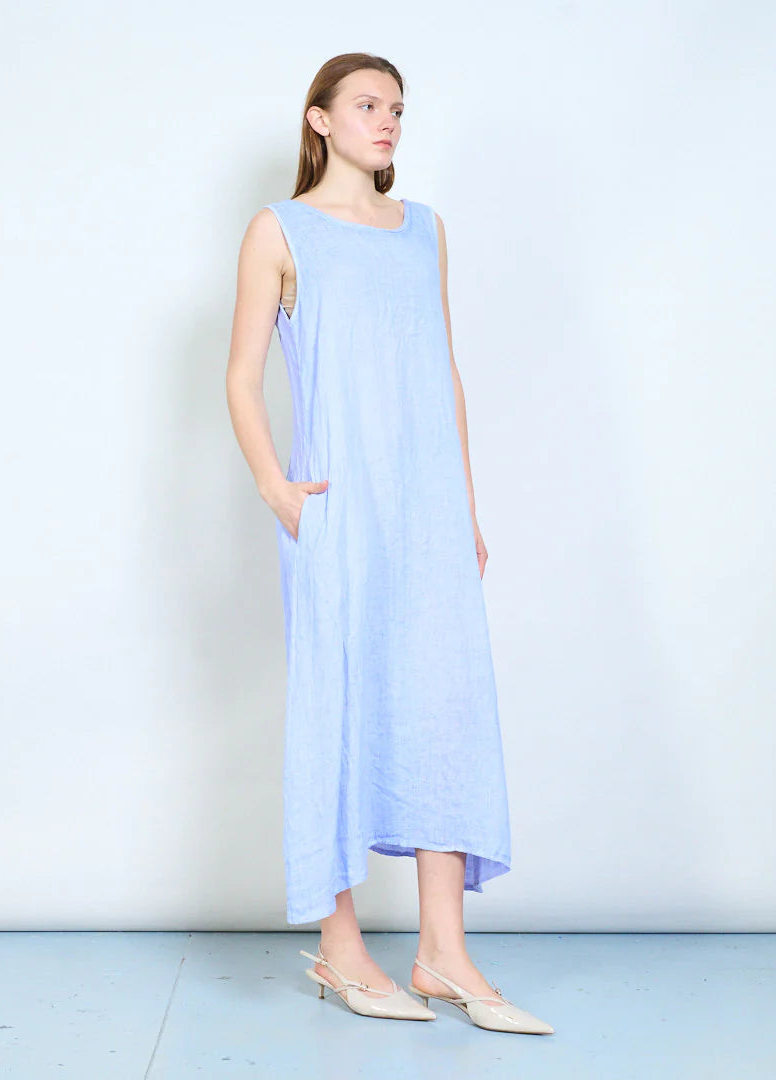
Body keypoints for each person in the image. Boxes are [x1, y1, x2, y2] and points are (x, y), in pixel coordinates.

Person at [225, 53, 552, 1034]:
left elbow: (441, 367)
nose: (388, 122)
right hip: (338, 509)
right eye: (367, 105)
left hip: (428, 511)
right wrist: (279, 489)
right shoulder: (280, 231)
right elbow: (241, 374)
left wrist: (466, 508)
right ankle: (339, 948)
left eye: (398, 109)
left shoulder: (423, 229)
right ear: (319, 119)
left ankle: (444, 954)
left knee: (444, 705)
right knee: (338, 707)